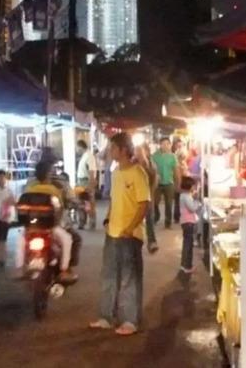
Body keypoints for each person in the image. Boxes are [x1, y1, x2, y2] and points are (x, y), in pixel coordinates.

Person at [90, 132, 150, 336]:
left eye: (113, 148)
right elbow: (114, 200)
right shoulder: (116, 172)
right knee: (109, 276)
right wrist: (108, 220)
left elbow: (144, 204)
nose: (110, 151)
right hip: (113, 232)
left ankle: (130, 320)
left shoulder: (137, 173)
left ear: (123, 150)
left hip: (130, 235)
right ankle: (106, 317)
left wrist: (131, 228)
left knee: (129, 279)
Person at [17, 160, 77, 283]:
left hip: (30, 228)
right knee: (67, 241)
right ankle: (64, 270)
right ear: (48, 174)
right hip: (50, 228)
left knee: (21, 242)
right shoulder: (54, 190)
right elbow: (60, 209)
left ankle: (19, 268)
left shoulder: (30, 188)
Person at [135, 142, 159, 253]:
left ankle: (152, 241)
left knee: (149, 218)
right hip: (134, 196)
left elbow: (154, 179)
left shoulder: (151, 164)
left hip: (147, 194)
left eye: (141, 151)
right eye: (137, 151)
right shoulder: (132, 163)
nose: (139, 153)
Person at [152, 138, 179, 228]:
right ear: (160, 145)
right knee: (155, 202)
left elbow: (176, 170)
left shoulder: (173, 157)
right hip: (157, 183)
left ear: (170, 145)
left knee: (169, 204)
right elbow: (151, 169)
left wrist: (177, 183)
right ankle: (156, 216)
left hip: (169, 183)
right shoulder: (154, 156)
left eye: (167, 144)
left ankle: (168, 222)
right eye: (163, 144)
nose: (165, 146)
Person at [179, 176, 202, 274]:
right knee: (188, 245)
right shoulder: (186, 196)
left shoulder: (183, 195)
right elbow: (192, 208)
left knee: (186, 244)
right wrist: (197, 202)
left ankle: (184, 265)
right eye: (193, 185)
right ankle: (187, 266)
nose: (194, 187)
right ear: (189, 186)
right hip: (188, 223)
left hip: (185, 222)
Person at [76, 139, 98, 230]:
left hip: (86, 182)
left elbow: (91, 171)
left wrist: (90, 185)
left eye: (77, 148)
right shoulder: (84, 156)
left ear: (80, 147)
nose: (76, 150)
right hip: (81, 182)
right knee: (81, 203)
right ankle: (82, 222)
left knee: (89, 204)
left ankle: (92, 223)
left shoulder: (89, 156)